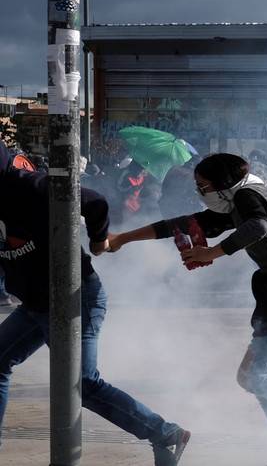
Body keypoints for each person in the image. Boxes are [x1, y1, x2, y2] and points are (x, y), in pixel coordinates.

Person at [109, 153, 267, 466]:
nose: (200, 192)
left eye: (203, 185)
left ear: (224, 184)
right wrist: (124, 238)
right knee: (260, 380)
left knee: (253, 377)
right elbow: (184, 225)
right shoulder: (239, 203)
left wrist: (212, 252)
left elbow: (258, 226)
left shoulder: (250, 196)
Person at [0, 144, 190, 464]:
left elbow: (94, 200)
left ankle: (164, 433)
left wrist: (98, 239)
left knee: (83, 384)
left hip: (75, 297)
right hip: (35, 303)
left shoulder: (29, 186)